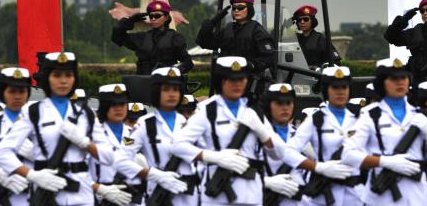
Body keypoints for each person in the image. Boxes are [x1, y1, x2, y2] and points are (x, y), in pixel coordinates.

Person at [0, 52, 114, 206]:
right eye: (57, 75)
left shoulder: (86, 114)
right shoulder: (34, 112)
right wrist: (32, 175)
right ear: (47, 78)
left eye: (68, 75)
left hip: (81, 191)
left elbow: (108, 157)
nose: (63, 81)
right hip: (47, 189)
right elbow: (3, 152)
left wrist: (85, 143)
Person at [171, 56, 283, 206]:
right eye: (231, 79)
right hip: (217, 194)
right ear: (221, 81)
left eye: (241, 79)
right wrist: (215, 157)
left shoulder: (253, 111)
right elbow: (177, 145)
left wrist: (262, 132)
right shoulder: (207, 111)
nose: (237, 84)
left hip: (250, 193)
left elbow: (278, 154)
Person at [343, 57, 427, 206]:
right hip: (383, 196)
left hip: (417, 195)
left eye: (403, 77)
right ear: (382, 82)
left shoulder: (420, 116)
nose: (400, 82)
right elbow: (348, 155)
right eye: (393, 78)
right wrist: (385, 161)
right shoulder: (371, 115)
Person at [114, 67, 197, 206]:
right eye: (166, 89)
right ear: (156, 91)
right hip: (159, 195)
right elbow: (120, 160)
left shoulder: (191, 124)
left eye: (176, 89)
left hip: (189, 196)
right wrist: (152, 174)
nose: (172, 94)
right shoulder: (144, 124)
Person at [285, 66, 365, 206]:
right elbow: (288, 151)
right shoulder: (316, 119)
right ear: (326, 90)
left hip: (356, 193)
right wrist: (317, 167)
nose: (340, 92)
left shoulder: (362, 117)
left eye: (344, 87)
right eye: (335, 87)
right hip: (324, 192)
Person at [196, 0, 275, 99]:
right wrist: (214, 20)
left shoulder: (257, 31)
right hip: (226, 81)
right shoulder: (227, 30)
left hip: (247, 82)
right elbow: (203, 42)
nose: (236, 11)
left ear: (250, 9)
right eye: (234, 8)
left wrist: (252, 65)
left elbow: (269, 57)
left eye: (241, 8)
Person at [0, 68, 33, 206]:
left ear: (28, 93)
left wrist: (35, 155)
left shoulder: (41, 124)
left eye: (22, 91)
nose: (17, 96)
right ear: (2, 93)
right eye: (12, 91)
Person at [89, 84, 141, 206]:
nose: (119, 109)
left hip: (131, 196)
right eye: (113, 104)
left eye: (122, 104)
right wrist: (99, 189)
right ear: (104, 107)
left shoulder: (135, 134)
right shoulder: (93, 134)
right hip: (101, 196)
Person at [111, 0, 194, 75]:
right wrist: (130, 21)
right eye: (151, 16)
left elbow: (188, 63)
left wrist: (175, 71)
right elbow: (117, 37)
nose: (153, 18)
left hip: (167, 84)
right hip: (144, 84)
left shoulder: (175, 38)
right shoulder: (142, 38)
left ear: (166, 18)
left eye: (157, 16)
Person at [260, 83, 305, 206]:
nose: (285, 108)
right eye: (279, 103)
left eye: (289, 103)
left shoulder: (302, 135)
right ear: (269, 106)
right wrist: (266, 182)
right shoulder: (258, 135)